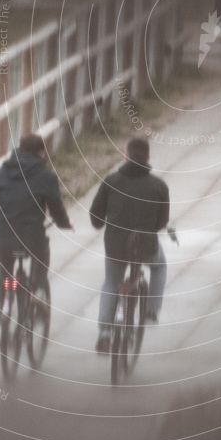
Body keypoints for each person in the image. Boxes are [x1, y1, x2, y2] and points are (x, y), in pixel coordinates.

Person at [90, 137, 170, 354]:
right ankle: (152, 311)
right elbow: (162, 222)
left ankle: (105, 333)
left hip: (115, 246)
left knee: (111, 282)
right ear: (148, 157)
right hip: (145, 246)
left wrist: (101, 223)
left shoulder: (111, 181)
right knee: (160, 267)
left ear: (126, 155)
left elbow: (95, 217)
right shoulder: (159, 186)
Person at [0, 133, 72, 317]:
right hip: (32, 237)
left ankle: (5, 307)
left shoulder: (2, 172)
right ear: (41, 152)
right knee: (41, 256)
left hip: (6, 236)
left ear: (19, 150)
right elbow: (56, 206)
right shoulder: (46, 176)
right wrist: (64, 223)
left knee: (6, 275)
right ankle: (37, 289)